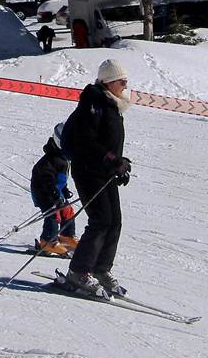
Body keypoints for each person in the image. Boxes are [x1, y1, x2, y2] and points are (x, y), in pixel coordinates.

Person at [61, 58, 132, 299]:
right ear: (109, 81)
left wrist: (119, 164)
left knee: (114, 221)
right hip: (88, 171)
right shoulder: (93, 102)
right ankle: (78, 272)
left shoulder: (111, 104)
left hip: (104, 172)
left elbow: (107, 141)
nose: (125, 85)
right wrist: (111, 159)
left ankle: (101, 269)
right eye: (121, 81)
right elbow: (86, 141)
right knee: (101, 220)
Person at [30, 123, 78, 256]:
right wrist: (54, 191)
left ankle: (66, 235)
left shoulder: (63, 157)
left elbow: (60, 178)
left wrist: (64, 189)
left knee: (67, 211)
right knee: (53, 214)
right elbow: (46, 179)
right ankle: (47, 242)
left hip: (57, 192)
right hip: (44, 193)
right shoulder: (51, 160)